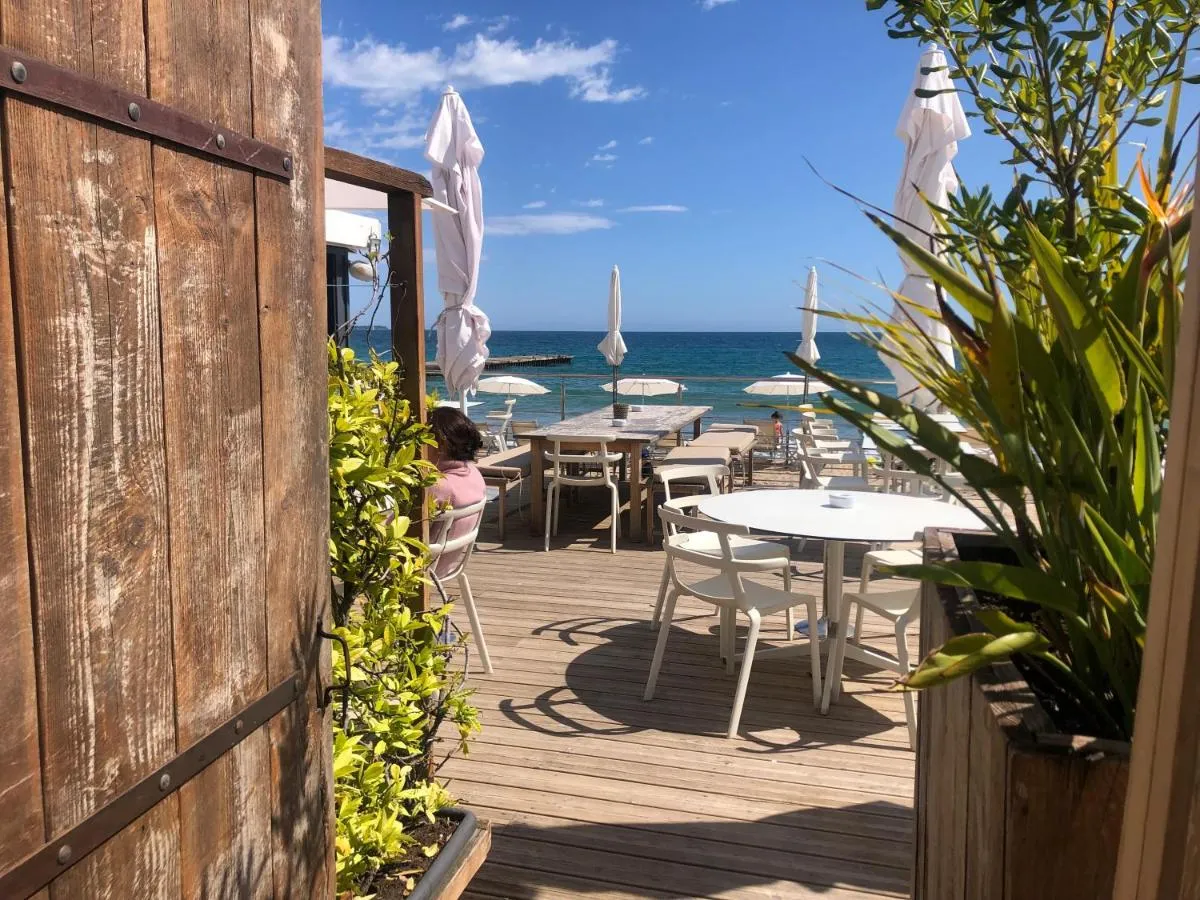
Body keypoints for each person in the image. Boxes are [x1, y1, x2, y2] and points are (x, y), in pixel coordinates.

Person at [428, 406, 487, 579]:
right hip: (448, 565)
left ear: (439, 445)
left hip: (423, 569)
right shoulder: (474, 474)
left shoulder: (438, 487)